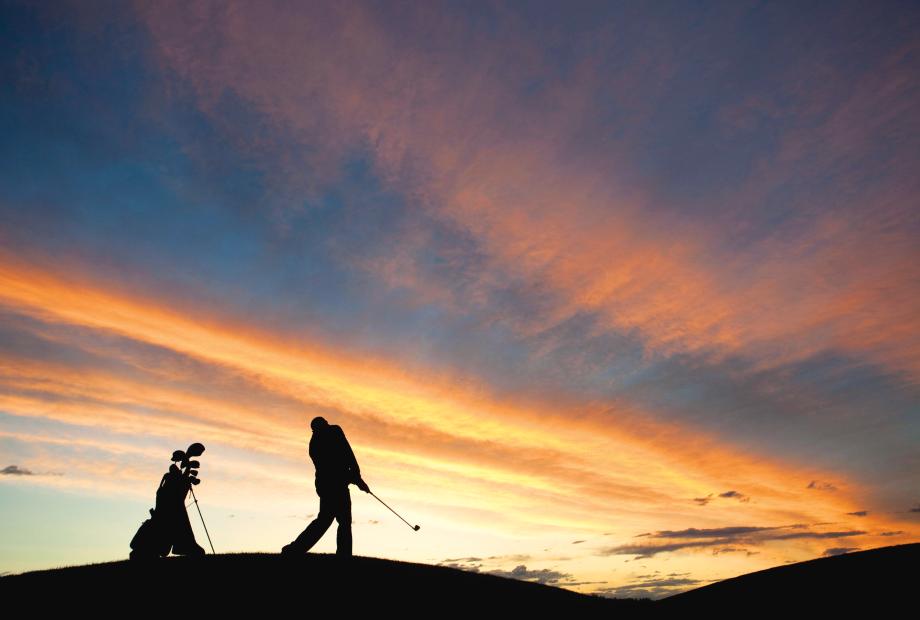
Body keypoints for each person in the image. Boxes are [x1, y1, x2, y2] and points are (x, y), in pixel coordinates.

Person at [282, 417, 370, 557]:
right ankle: (296, 550)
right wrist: (357, 479)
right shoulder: (322, 440)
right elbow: (339, 463)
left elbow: (346, 456)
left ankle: (295, 550)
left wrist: (356, 478)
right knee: (334, 521)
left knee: (333, 521)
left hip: (331, 485)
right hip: (331, 486)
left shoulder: (327, 435)